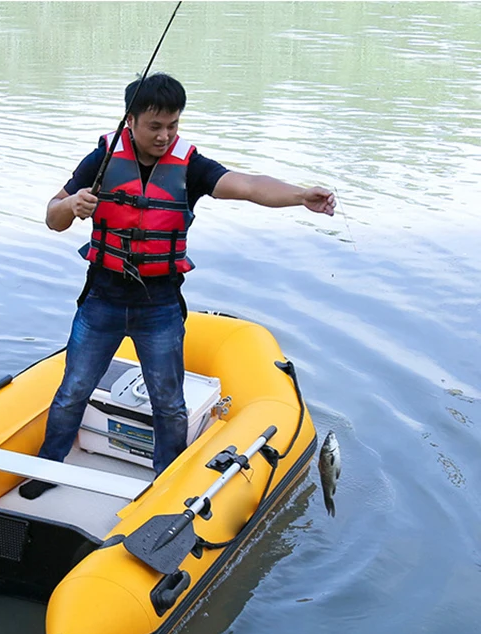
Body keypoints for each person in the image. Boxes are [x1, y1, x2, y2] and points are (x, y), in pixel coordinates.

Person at [19, 73, 335, 500]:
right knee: (73, 389)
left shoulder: (190, 166)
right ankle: (48, 467)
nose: (165, 135)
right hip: (101, 302)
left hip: (160, 306)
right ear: (130, 120)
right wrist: (72, 206)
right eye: (155, 126)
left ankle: (168, 481)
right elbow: (51, 217)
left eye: (173, 125)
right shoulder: (102, 160)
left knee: (169, 403)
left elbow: (247, 186)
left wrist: (300, 196)